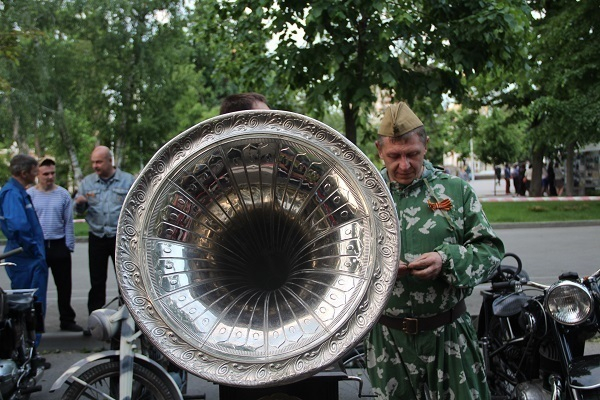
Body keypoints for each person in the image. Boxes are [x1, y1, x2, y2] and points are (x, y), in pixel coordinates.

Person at [367, 102, 505, 400]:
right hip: (388, 340)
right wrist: (379, 266)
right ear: (379, 150)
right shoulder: (364, 196)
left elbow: (491, 253)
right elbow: (341, 260)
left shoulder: (455, 190)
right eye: (394, 156)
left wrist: (447, 260)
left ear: (426, 146)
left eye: (413, 154)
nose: (404, 165)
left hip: (448, 334)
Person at [74, 146, 134, 335]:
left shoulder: (127, 180)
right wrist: (80, 204)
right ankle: (95, 324)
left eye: (99, 162)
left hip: (120, 239)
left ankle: (127, 323)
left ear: (110, 160)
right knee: (97, 282)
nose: (95, 166)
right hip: (97, 237)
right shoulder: (87, 182)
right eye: (93, 162)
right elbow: (79, 211)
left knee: (125, 282)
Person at [27, 156, 83, 332]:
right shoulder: (30, 195)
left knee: (64, 286)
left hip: (59, 244)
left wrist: (69, 246)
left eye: (52, 173)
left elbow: (68, 222)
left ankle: (67, 320)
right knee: (37, 287)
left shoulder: (63, 194)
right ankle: (37, 323)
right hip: (39, 245)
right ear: (38, 174)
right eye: (46, 174)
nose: (50, 177)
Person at [0, 155, 48, 339]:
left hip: (27, 257)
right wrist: (34, 250)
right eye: (34, 171)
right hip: (26, 259)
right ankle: (29, 348)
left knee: (31, 307)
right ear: (23, 172)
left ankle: (30, 348)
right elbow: (18, 227)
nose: (36, 174)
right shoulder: (12, 193)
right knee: (29, 308)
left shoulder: (17, 191)